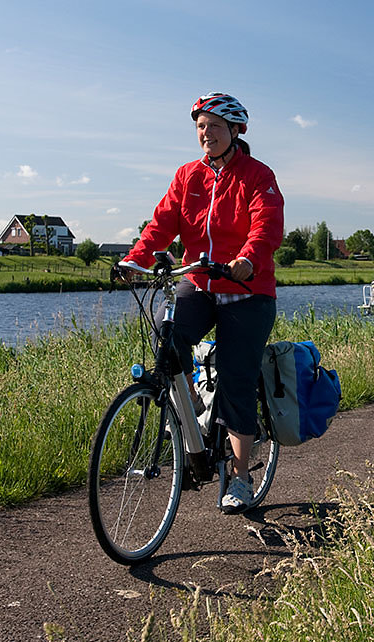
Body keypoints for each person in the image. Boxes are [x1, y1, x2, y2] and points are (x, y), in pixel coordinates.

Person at [120, 92, 284, 514]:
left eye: (212, 126)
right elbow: (161, 224)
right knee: (166, 330)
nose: (204, 133)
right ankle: (189, 400)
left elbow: (266, 225)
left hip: (247, 290)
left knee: (235, 376)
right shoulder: (188, 176)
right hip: (200, 281)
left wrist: (248, 259)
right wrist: (133, 261)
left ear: (234, 130)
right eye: (199, 126)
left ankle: (242, 476)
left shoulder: (257, 176)